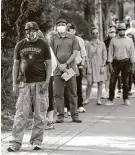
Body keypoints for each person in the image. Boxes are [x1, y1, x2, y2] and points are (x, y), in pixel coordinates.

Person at [7, 21, 52, 152]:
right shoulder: (20, 45)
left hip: (40, 84)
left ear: (37, 31)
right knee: (21, 114)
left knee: (40, 114)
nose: (30, 33)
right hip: (24, 84)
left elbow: (49, 65)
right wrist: (14, 83)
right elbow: (16, 65)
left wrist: (47, 82)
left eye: (32, 30)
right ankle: (15, 142)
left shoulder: (43, 45)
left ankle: (36, 141)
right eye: (27, 31)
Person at [50, 18, 82, 123]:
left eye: (63, 24)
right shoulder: (53, 38)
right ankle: (60, 115)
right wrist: (60, 65)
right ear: (56, 26)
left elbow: (75, 53)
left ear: (66, 26)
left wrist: (66, 64)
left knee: (72, 92)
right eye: (59, 24)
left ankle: (74, 115)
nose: (61, 26)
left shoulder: (73, 38)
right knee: (58, 93)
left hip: (70, 70)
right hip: (58, 70)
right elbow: (52, 54)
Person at [105, 23, 135, 106]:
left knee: (125, 82)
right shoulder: (113, 40)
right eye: (120, 29)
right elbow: (110, 53)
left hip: (126, 62)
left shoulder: (129, 40)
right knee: (112, 81)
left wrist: (133, 65)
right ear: (118, 31)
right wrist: (110, 64)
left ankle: (126, 98)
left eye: (123, 29)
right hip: (116, 62)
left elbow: (132, 53)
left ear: (125, 30)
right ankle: (110, 99)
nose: (121, 31)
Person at [64, 23, 87, 113]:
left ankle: (79, 105)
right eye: (67, 29)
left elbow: (84, 54)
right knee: (67, 87)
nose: (68, 31)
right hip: (67, 66)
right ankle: (67, 106)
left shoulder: (79, 40)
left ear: (74, 30)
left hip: (77, 66)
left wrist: (82, 65)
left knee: (78, 86)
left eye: (70, 30)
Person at [84, 27, 107, 105]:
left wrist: (103, 66)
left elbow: (105, 56)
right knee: (89, 83)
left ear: (99, 33)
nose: (95, 34)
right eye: (93, 33)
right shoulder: (88, 45)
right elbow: (86, 56)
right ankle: (87, 99)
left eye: (97, 33)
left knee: (100, 83)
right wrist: (88, 67)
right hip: (91, 66)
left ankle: (98, 99)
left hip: (100, 66)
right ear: (91, 34)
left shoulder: (102, 44)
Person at [102, 27, 116, 99]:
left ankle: (114, 92)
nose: (112, 33)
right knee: (107, 77)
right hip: (107, 62)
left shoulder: (117, 40)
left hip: (116, 62)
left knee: (114, 77)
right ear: (108, 33)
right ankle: (106, 92)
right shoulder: (105, 42)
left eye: (113, 32)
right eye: (111, 32)